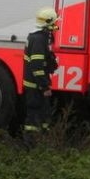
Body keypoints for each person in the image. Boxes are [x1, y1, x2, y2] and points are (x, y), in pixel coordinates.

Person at [22, 7, 60, 139]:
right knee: (34, 118)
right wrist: (44, 86)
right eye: (54, 23)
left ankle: (43, 142)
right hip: (36, 86)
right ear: (47, 23)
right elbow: (37, 66)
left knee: (44, 116)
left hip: (36, 85)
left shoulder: (38, 36)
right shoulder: (38, 39)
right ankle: (31, 145)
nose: (55, 26)